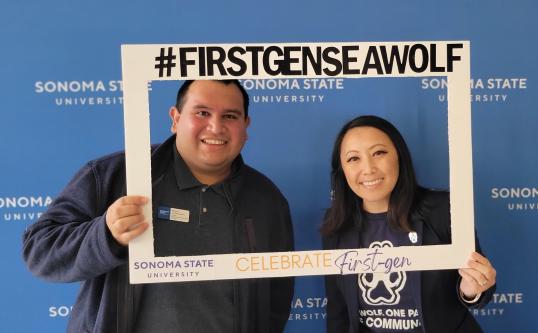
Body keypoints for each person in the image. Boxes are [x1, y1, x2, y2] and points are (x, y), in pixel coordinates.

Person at [23, 80, 294, 333]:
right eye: (201, 113)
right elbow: (39, 251)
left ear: (245, 125)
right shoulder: (113, 174)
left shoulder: (267, 198)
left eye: (230, 116)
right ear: (176, 119)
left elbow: (277, 295)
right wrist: (104, 234)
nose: (215, 127)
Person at [321, 115, 496, 333]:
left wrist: (472, 289)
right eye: (353, 159)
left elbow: (480, 291)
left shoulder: (443, 209)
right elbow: (338, 312)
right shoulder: (336, 224)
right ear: (343, 170)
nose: (368, 169)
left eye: (378, 153)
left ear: (399, 157)